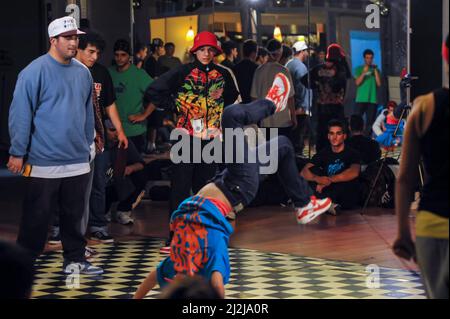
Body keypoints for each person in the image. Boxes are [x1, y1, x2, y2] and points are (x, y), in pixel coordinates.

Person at [134, 74, 332, 299]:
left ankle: (304, 204)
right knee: (231, 116)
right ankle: (272, 103)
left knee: (284, 146)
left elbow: (150, 279)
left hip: (227, 180)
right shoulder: (212, 248)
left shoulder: (179, 261)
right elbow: (218, 287)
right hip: (238, 184)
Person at [7, 17, 102, 275]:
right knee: (35, 219)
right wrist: (18, 151)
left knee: (74, 218)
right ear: (53, 40)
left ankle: (75, 260)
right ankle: (22, 263)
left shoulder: (83, 72)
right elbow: (21, 114)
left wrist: (89, 145)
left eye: (76, 37)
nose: (74, 43)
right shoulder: (33, 72)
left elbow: (87, 112)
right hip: (42, 160)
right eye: (68, 38)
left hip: (77, 158)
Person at [141, 31, 241, 253]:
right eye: (202, 49)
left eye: (210, 50)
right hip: (185, 137)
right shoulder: (182, 72)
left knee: (205, 189)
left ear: (215, 52)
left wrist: (218, 112)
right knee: (180, 188)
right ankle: (175, 237)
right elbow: (154, 90)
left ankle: (201, 235)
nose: (206, 53)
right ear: (195, 51)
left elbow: (233, 97)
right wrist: (176, 106)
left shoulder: (223, 74)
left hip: (211, 140)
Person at [49, 31, 129, 244]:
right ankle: (59, 227)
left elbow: (109, 104)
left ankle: (97, 225)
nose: (95, 57)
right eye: (91, 52)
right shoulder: (64, 71)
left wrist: (120, 131)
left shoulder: (102, 73)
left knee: (98, 182)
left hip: (97, 137)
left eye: (98, 53)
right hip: (68, 137)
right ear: (78, 50)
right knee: (65, 183)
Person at [393, 36, 449, 299]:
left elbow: (404, 179)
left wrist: (403, 231)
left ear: (444, 54)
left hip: (433, 223)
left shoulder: (424, 107)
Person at [301, 120, 361, 212]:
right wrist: (317, 179)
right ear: (328, 136)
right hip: (326, 189)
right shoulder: (324, 152)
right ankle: (327, 204)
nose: (334, 137)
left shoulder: (352, 153)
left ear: (344, 136)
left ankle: (321, 202)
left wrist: (329, 180)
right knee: (311, 174)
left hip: (343, 191)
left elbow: (354, 172)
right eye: (332, 134)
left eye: (338, 134)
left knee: (348, 183)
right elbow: (303, 172)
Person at [109, 39, 153, 154]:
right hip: (114, 132)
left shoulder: (139, 74)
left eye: (123, 55)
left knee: (136, 169)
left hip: (134, 131)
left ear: (129, 57)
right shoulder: (108, 72)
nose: (119, 58)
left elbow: (158, 94)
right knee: (115, 170)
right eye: (117, 55)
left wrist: (144, 115)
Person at [251, 39, 296, 140]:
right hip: (283, 121)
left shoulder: (259, 71)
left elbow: (254, 98)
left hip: (265, 121)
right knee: (281, 152)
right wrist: (293, 117)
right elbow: (290, 97)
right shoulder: (284, 70)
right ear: (280, 53)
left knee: (268, 153)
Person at [310, 43, 351, 152]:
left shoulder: (319, 68)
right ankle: (337, 153)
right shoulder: (341, 68)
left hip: (322, 106)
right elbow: (343, 84)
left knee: (323, 131)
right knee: (338, 130)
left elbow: (306, 81)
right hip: (336, 107)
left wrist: (317, 83)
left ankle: (321, 155)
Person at [286, 40, 313, 155]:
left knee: (293, 138)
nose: (307, 54)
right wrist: (303, 106)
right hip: (300, 109)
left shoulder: (288, 64)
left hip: (291, 108)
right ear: (302, 52)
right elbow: (303, 89)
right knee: (300, 140)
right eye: (306, 51)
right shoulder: (301, 67)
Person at [354, 49, 382, 136]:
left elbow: (379, 83)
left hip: (372, 99)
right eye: (367, 58)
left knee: (370, 122)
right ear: (364, 58)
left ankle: (367, 139)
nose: (369, 60)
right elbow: (357, 83)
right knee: (357, 120)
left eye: (371, 58)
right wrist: (364, 72)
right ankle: (356, 138)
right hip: (360, 99)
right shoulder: (358, 69)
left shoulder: (376, 70)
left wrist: (375, 71)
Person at [234, 39, 258, 104]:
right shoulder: (257, 69)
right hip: (252, 104)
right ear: (253, 53)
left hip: (239, 104)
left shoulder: (235, 68)